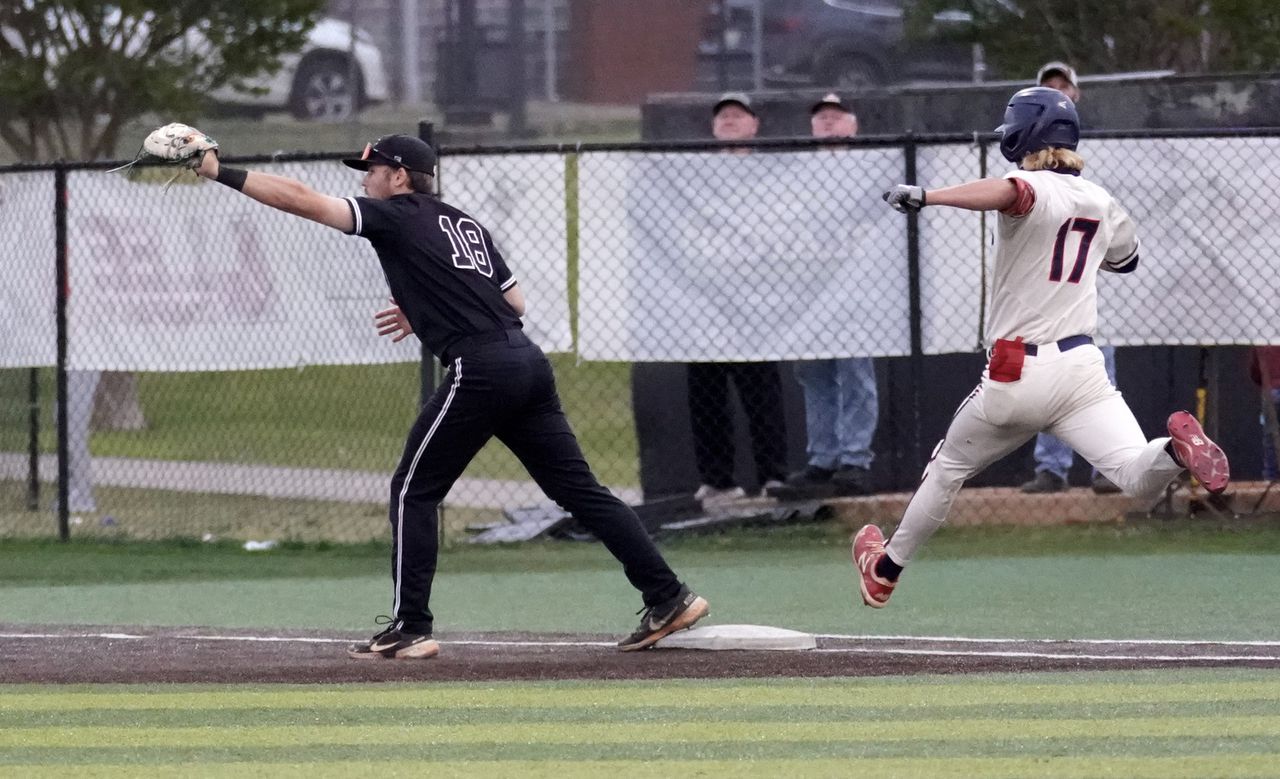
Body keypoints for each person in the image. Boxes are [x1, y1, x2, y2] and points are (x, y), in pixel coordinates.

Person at [182, 132, 708, 656]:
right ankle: (668, 596)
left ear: (400, 176)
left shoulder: (398, 214)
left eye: (371, 172)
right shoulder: (464, 222)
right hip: (526, 363)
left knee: (414, 491)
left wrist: (217, 172)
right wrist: (432, 304)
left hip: (479, 368)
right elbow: (517, 302)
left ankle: (411, 627)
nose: (365, 181)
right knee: (582, 492)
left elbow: (303, 200)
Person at [853, 87, 1230, 608]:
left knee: (947, 470)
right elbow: (1127, 260)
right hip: (1080, 370)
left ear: (1022, 133)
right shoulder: (1102, 199)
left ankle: (886, 571)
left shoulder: (1029, 184)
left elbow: (1013, 192)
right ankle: (1176, 450)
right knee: (1136, 477)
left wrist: (930, 195)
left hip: (1018, 370)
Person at [769, 93, 877, 500]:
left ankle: (855, 459)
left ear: (853, 124)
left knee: (855, 374)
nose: (828, 122)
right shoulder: (796, 173)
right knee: (813, 374)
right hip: (811, 294)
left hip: (857, 291)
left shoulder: (872, 168)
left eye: (836, 115)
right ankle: (823, 459)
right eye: (821, 117)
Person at [1020, 60, 1121, 495]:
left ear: (1077, 94)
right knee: (1045, 365)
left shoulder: (1099, 147)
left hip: (1088, 275)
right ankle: (1052, 467)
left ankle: (1109, 464)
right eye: (1049, 87)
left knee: (1097, 364)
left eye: (1064, 86)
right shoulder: (1024, 151)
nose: (1058, 92)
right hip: (1041, 278)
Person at [688, 92, 789, 505]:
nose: (729, 120)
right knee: (706, 395)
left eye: (737, 115)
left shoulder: (771, 175)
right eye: (722, 116)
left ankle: (773, 477)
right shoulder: (691, 177)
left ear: (754, 124)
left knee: (761, 393)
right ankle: (718, 480)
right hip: (705, 306)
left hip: (756, 305)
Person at [1250, 346, 1280, 481]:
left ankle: (1271, 479)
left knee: (1271, 439)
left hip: (1271, 390)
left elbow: (1255, 370)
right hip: (1272, 388)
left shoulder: (1263, 338)